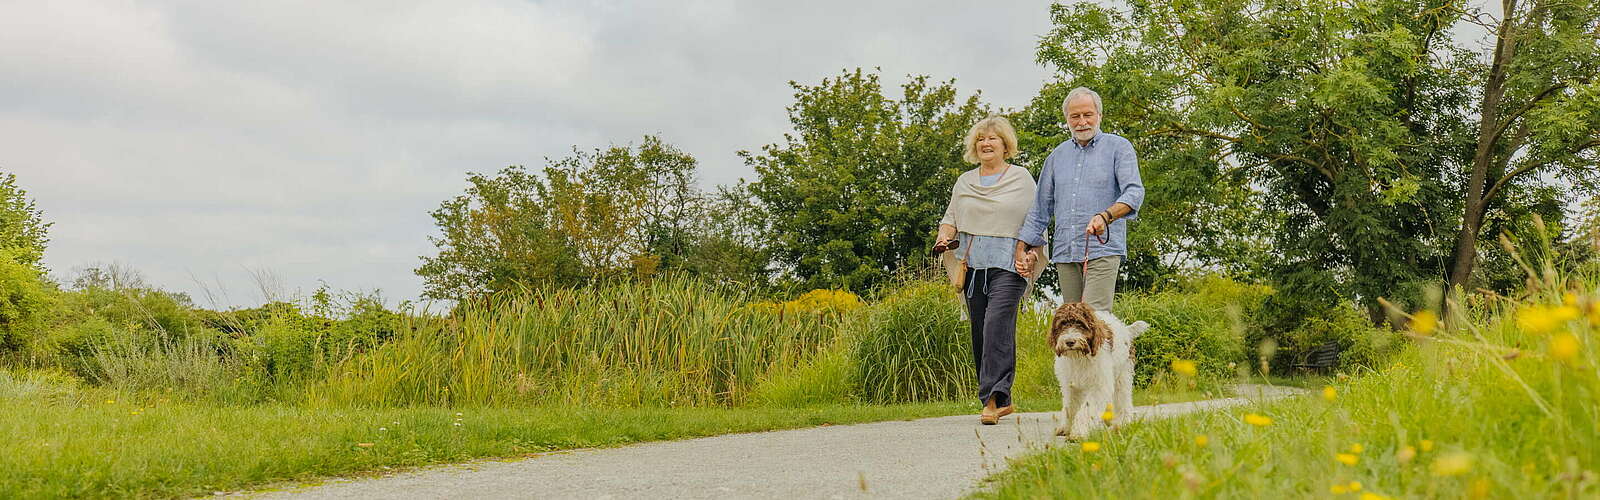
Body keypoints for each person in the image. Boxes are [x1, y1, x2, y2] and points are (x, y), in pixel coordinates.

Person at [936, 115, 1043, 425]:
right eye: (980, 139)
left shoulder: (1021, 179)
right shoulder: (965, 182)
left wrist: (1033, 253)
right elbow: (950, 218)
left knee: (997, 324)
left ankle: (992, 400)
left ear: (1005, 145)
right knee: (981, 332)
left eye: (992, 138)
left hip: (1010, 265)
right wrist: (944, 236)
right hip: (974, 267)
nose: (985, 143)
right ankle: (1001, 398)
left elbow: (1035, 221)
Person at [1014, 87, 1144, 312]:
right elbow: (1040, 209)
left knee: (1093, 319)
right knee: (1072, 322)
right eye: (1075, 116)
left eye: (1087, 115)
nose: (1082, 121)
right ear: (1067, 119)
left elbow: (1134, 193)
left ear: (1099, 116)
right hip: (1065, 251)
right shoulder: (1056, 156)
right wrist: (1021, 247)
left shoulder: (1119, 147)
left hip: (1103, 248)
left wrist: (1105, 216)